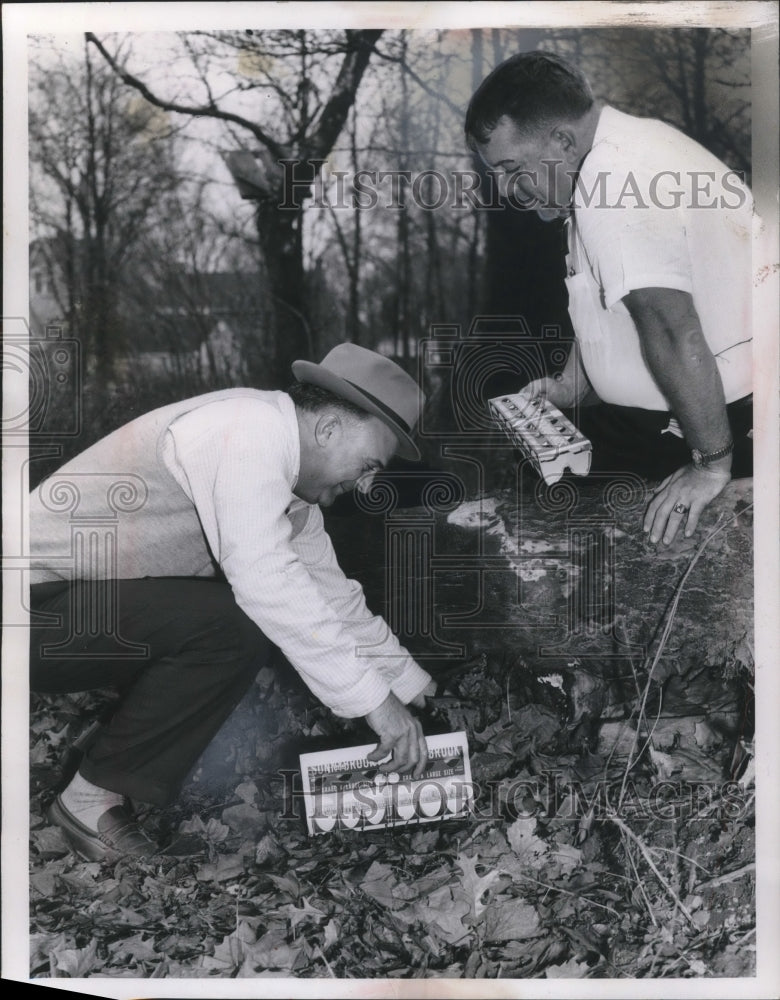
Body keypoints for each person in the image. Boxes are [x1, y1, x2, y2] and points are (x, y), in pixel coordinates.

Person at [29, 344, 436, 861]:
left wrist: (410, 684)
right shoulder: (245, 433)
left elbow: (333, 598)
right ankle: (88, 799)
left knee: (228, 618)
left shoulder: (286, 489)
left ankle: (108, 746)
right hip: (28, 611)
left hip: (65, 609)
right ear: (329, 428)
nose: (367, 485)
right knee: (232, 626)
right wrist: (379, 707)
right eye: (368, 465)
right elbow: (268, 582)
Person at [465, 51, 753, 545]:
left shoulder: (614, 178)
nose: (508, 190)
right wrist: (570, 388)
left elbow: (669, 325)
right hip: (676, 415)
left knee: (548, 512)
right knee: (538, 470)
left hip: (723, 424)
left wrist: (710, 465)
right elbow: (604, 307)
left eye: (513, 168)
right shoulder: (605, 161)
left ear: (562, 140)